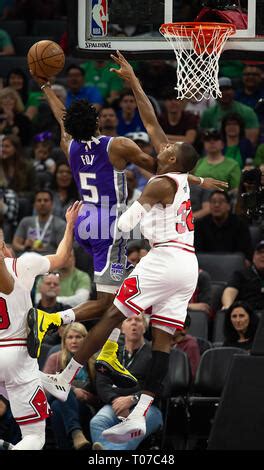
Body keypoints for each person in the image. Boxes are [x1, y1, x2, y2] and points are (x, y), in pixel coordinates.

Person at [35, 52, 228, 442]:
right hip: (165, 252)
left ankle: (71, 360)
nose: (164, 149)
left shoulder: (70, 142)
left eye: (169, 152)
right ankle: (121, 391)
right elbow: (152, 143)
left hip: (92, 220)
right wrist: (199, 181)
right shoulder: (131, 152)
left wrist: (46, 87)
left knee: (113, 310)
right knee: (138, 326)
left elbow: (64, 117)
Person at [0, 201, 82, 450]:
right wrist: (69, 226)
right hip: (16, 351)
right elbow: (62, 257)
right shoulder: (22, 265)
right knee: (35, 436)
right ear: (5, 246)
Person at [90, 314, 163, 450]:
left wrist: (132, 399)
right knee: (97, 422)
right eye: (129, 319)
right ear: (122, 328)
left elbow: (161, 386)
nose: (134, 323)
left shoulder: (155, 353)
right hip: (115, 405)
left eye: (138, 320)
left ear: (145, 327)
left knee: (132, 429)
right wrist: (117, 401)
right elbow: (101, 384)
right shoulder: (112, 351)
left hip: (147, 407)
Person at [43, 323, 98, 450]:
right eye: (70, 337)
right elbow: (45, 389)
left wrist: (86, 397)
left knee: (58, 408)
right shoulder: (55, 358)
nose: (74, 341)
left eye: (78, 337)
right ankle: (76, 433)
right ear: (64, 340)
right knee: (63, 392)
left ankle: (71, 440)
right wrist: (73, 390)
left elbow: (99, 395)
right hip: (54, 398)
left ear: (85, 339)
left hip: (83, 405)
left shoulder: (94, 360)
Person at [221, 240, 264, 312]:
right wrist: (227, 306)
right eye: (260, 252)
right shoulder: (240, 274)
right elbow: (230, 291)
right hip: (247, 315)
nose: (263, 255)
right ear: (253, 257)